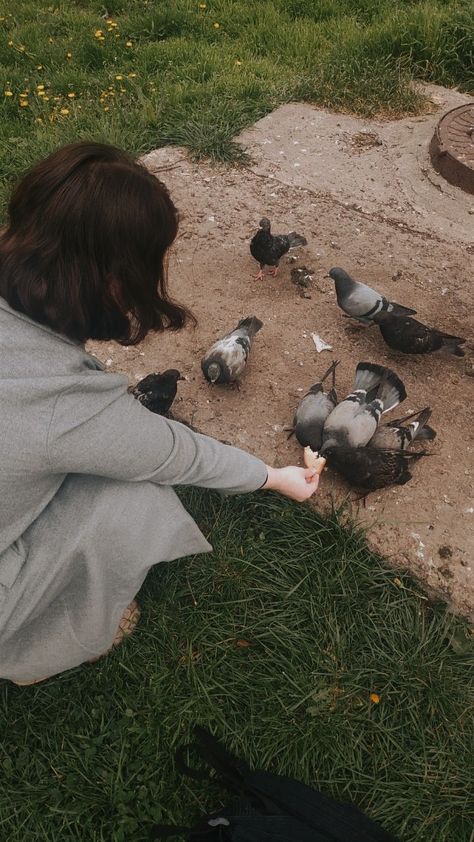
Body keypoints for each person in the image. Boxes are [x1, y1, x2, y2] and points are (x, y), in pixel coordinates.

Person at [0, 142, 320, 686]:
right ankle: (40, 640)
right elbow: (172, 453)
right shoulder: (64, 405)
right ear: (116, 283)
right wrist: (273, 476)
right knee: (131, 494)